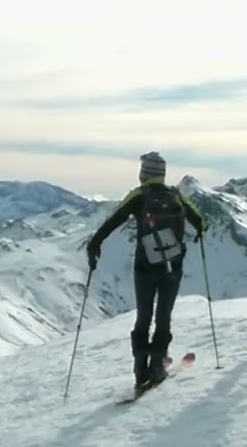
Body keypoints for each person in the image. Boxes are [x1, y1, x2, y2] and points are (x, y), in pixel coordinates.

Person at [87, 151, 207, 390]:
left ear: (143, 174)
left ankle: (140, 368)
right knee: (164, 318)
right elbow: (201, 222)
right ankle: (157, 365)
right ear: (162, 175)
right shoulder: (176, 195)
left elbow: (113, 220)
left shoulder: (139, 196)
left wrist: (95, 244)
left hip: (144, 267)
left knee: (143, 317)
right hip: (173, 266)